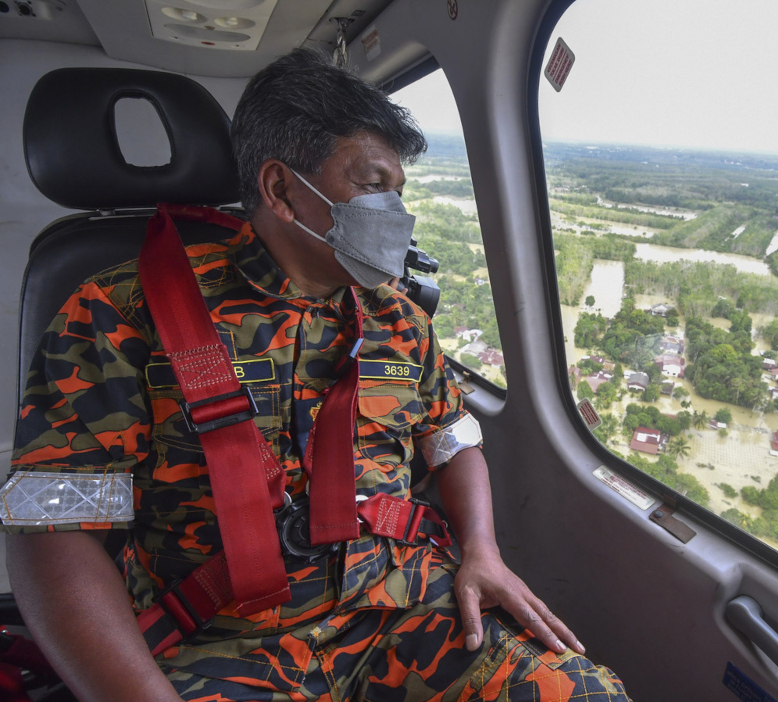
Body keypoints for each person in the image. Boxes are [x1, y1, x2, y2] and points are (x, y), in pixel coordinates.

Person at [2, 49, 629, 702]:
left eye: (399, 191)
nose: (396, 213)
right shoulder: (120, 311)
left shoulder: (399, 319)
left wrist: (482, 550)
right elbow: (51, 533)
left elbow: (452, 440)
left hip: (402, 606)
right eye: (371, 185)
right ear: (280, 189)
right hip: (219, 641)